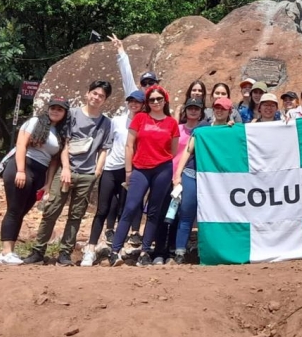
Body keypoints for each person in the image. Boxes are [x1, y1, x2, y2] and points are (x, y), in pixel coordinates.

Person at [24, 81, 113, 266]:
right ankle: (38, 250)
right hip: (65, 171)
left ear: (105, 100)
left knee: (76, 215)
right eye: (94, 93)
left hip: (87, 174)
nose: (96, 98)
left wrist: (97, 171)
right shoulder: (72, 114)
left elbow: (104, 149)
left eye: (101, 96)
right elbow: (64, 142)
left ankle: (65, 253)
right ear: (87, 94)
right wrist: (65, 168)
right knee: (52, 210)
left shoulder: (106, 123)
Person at [110, 85, 180, 267]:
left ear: (165, 100)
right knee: (130, 207)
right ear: (147, 103)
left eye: (159, 99)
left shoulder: (171, 123)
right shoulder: (140, 118)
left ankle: (145, 251)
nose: (155, 102)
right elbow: (129, 145)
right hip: (140, 168)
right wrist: (128, 171)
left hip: (162, 169)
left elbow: (172, 151)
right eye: (151, 99)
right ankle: (115, 251)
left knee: (154, 212)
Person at [0, 99, 70, 265]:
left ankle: (10, 251)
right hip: (22, 166)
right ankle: (5, 251)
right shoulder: (35, 122)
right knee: (14, 209)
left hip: (40, 172)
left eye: (60, 109)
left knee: (22, 211)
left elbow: (54, 161)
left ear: (65, 113)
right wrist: (21, 171)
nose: (56, 111)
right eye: (53, 108)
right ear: (48, 109)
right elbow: (21, 145)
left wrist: (48, 183)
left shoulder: (60, 132)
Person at [81, 90, 145, 267]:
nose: (134, 104)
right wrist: (99, 166)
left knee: (125, 211)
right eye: (131, 101)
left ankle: (117, 251)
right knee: (102, 209)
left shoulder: (145, 122)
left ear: (142, 104)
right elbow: (106, 144)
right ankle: (91, 249)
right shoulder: (116, 121)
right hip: (111, 168)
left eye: (137, 102)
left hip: (131, 170)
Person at [172, 98, 234, 264]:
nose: (219, 111)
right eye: (217, 108)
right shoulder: (203, 128)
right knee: (186, 211)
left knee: (212, 216)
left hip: (216, 180)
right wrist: (178, 174)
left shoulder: (232, 130)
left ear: (230, 111)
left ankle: (205, 251)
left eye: (223, 108)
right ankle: (180, 252)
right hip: (193, 173)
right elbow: (188, 150)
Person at [153, 96, 209, 265]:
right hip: (175, 174)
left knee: (183, 216)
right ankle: (163, 252)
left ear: (201, 112)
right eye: (190, 107)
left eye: (196, 108)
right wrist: (174, 174)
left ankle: (176, 250)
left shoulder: (206, 129)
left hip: (195, 175)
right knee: (168, 214)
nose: (193, 111)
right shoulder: (177, 128)